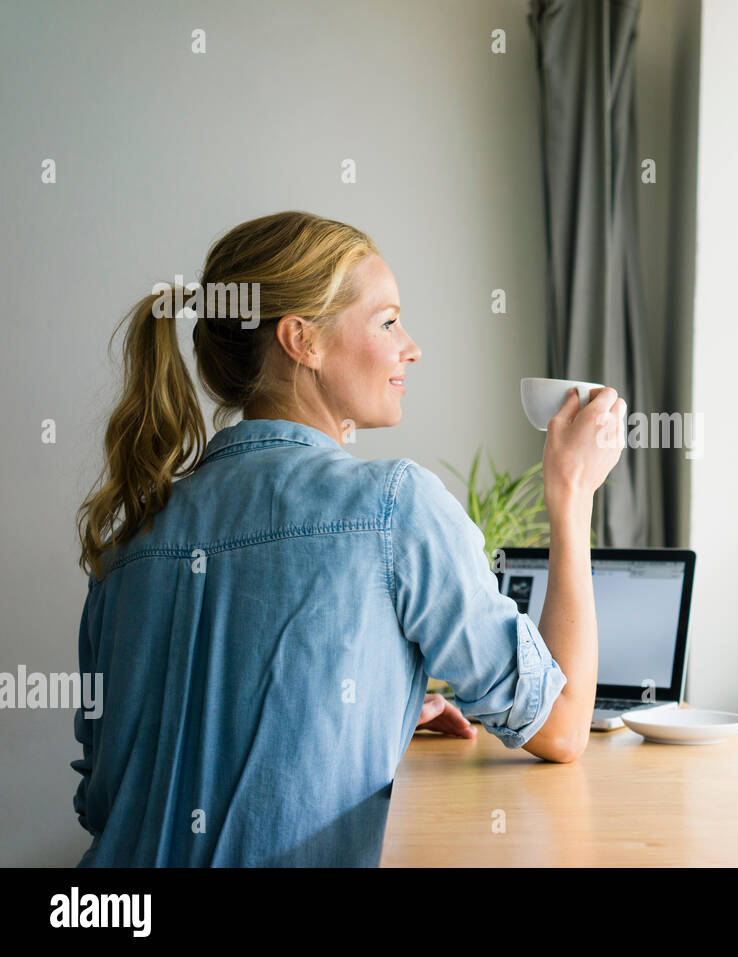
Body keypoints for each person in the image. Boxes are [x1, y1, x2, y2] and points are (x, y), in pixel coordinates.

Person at [72, 210, 624, 866]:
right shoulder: (392, 508)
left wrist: (371, 697)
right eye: (388, 321)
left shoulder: (131, 536)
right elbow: (561, 725)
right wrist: (572, 495)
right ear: (301, 339)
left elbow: (106, 796)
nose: (410, 347)